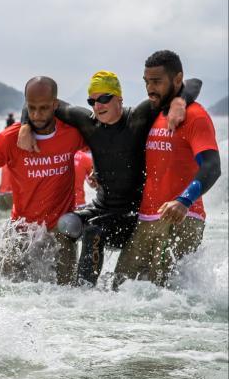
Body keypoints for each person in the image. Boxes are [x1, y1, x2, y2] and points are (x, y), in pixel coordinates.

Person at [17, 70, 201, 285]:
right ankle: (63, 285)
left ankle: (85, 291)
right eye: (92, 100)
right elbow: (39, 100)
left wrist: (179, 101)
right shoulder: (88, 122)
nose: (98, 105)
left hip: (134, 213)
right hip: (102, 208)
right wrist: (25, 125)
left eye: (105, 98)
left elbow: (194, 83)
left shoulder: (138, 117)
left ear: (119, 99)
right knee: (65, 224)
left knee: (94, 230)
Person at [0, 77, 84, 285]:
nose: (36, 115)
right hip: (21, 231)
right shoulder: (10, 139)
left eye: (44, 108)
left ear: (55, 104)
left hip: (60, 233)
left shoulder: (72, 133)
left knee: (67, 296)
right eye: (31, 108)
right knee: (0, 289)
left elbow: (104, 148)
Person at [114, 50, 221, 287]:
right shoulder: (155, 112)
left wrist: (184, 201)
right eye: (146, 82)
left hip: (180, 217)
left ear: (177, 79)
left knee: (164, 297)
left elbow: (212, 166)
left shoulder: (195, 117)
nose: (150, 88)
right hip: (146, 218)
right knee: (118, 288)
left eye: (157, 82)